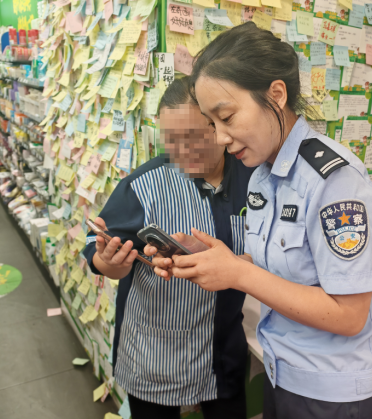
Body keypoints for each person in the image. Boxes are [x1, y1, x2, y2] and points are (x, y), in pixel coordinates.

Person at [151, 22, 372, 419]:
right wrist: (216, 262)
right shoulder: (264, 173)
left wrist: (238, 274)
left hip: (334, 396)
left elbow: (350, 315)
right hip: (283, 375)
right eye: (212, 124)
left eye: (227, 117)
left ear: (276, 95)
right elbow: (280, 268)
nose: (220, 138)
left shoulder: (335, 183)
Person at [82, 76, 255, 419]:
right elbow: (98, 251)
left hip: (224, 354)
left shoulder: (253, 178)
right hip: (155, 355)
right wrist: (109, 263)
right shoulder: (144, 186)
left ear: (219, 126)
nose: (181, 152)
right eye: (171, 141)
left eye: (192, 137)